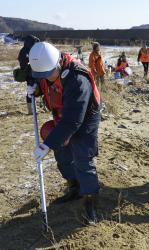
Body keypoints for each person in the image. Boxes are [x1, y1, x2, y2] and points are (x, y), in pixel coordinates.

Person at [28, 42, 102, 224]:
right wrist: (36, 89)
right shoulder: (47, 68)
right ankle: (74, 186)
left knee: (83, 155)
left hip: (85, 117)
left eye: (48, 74)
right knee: (62, 152)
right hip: (63, 115)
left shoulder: (77, 78)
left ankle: (90, 201)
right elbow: (44, 84)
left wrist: (47, 144)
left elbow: (73, 120)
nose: (46, 78)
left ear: (58, 63)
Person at [17, 35, 40, 115]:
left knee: (39, 89)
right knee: (31, 91)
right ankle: (31, 111)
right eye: (33, 42)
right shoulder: (24, 51)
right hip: (29, 75)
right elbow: (23, 65)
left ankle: (39, 107)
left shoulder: (32, 49)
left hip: (36, 72)